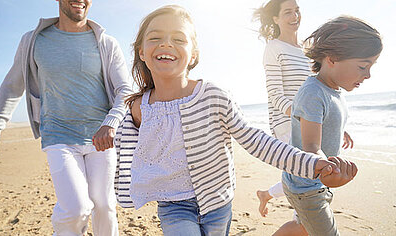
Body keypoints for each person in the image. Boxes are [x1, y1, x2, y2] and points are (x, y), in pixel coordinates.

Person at [114, 5, 357, 236]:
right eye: (155, 38)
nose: (166, 43)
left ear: (193, 55)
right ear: (142, 52)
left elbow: (255, 140)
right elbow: (128, 155)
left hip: (218, 201)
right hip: (173, 205)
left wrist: (311, 164)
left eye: (179, 39)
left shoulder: (211, 95)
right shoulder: (139, 108)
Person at [0, 0, 132, 235]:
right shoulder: (33, 41)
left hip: (101, 139)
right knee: (76, 208)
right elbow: (12, 86)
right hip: (58, 135)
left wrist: (110, 123)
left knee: (105, 205)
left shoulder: (107, 43)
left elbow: (125, 91)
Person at [253, 1, 353, 233]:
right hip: (287, 122)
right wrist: (307, 119)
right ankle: (272, 199)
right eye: (287, 11)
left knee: (310, 196)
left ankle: (266, 195)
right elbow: (276, 96)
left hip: (311, 121)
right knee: (310, 191)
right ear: (276, 19)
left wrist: (334, 124)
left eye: (297, 9)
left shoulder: (308, 50)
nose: (295, 15)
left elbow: (322, 92)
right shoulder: (273, 48)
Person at [279, 16, 382, 236]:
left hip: (310, 183)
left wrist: (339, 130)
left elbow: (320, 120)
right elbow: (311, 146)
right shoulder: (313, 93)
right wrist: (330, 171)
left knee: (303, 227)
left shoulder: (333, 91)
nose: (368, 75)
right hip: (306, 187)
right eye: (363, 66)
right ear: (333, 58)